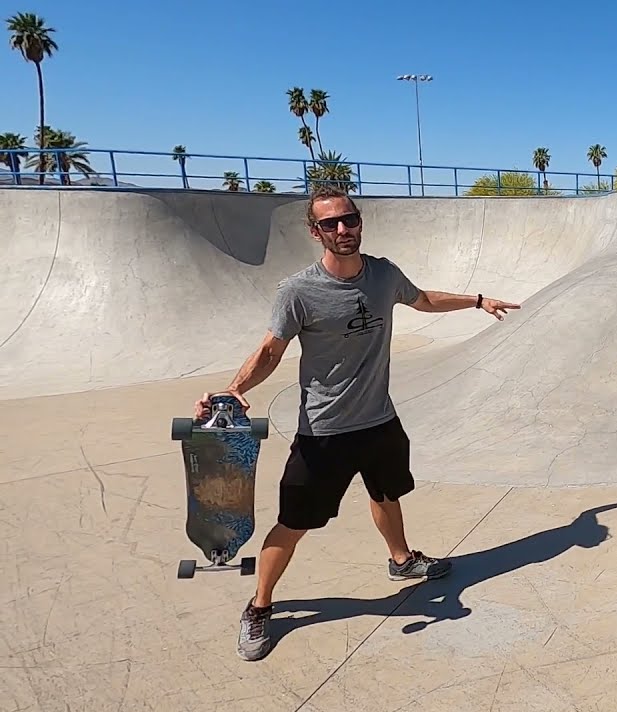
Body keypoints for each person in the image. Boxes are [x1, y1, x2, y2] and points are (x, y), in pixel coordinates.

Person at [193, 185, 522, 662]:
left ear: (360, 222)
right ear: (315, 231)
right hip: (324, 433)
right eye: (331, 224)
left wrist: (477, 300)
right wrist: (234, 389)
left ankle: (402, 561)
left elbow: (423, 299)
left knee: (386, 494)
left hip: (379, 421)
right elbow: (269, 351)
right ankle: (260, 605)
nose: (343, 230)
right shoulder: (299, 291)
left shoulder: (384, 274)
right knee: (294, 522)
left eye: (349, 220)